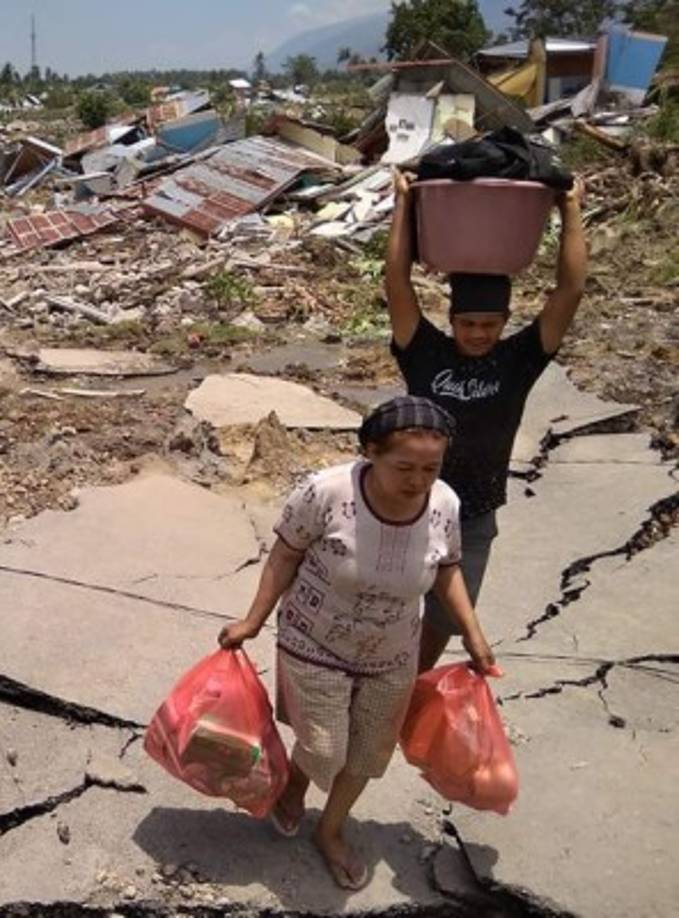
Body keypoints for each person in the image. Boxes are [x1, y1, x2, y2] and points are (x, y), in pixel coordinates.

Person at [218, 395, 497, 891]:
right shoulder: (325, 493)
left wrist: (474, 636)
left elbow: (447, 567)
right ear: (370, 451)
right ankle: (295, 786)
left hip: (392, 651)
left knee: (369, 754)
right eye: (404, 467)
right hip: (315, 640)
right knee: (325, 749)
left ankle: (330, 830)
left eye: (430, 468)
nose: (417, 480)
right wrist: (252, 620)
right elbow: (284, 556)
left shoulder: (444, 503)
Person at [384, 170, 588, 672]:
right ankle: (380, 686)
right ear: (451, 321)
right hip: (409, 501)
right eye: (468, 324)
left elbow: (570, 289)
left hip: (474, 514)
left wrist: (571, 210)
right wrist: (405, 206)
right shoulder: (425, 352)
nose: (478, 334)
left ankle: (411, 686)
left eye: (489, 325)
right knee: (385, 606)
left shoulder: (519, 359)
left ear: (505, 323)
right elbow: (396, 280)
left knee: (447, 618)